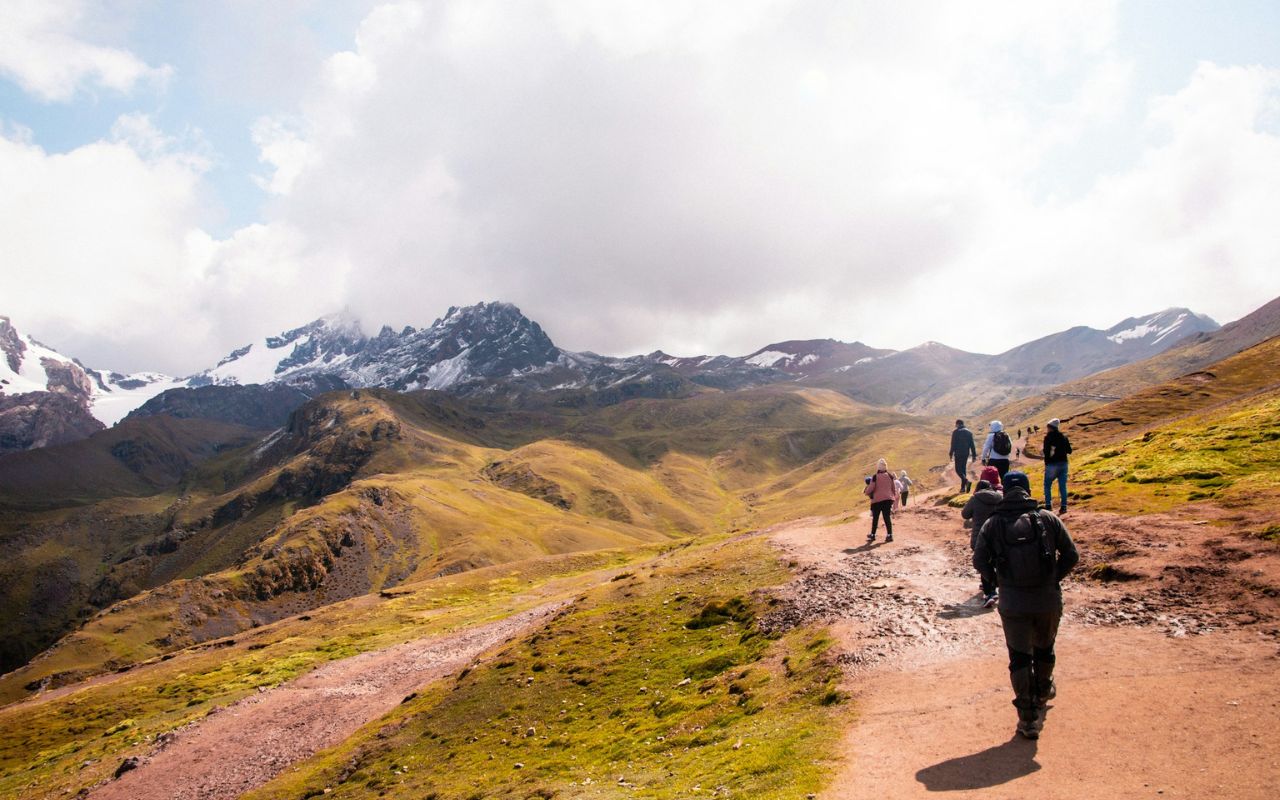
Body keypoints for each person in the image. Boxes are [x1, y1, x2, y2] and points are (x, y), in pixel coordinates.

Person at [973, 471, 1079, 739]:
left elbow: (979, 560)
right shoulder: (1048, 519)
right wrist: (1054, 578)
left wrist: (998, 581)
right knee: (1045, 648)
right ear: (1028, 490)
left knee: (1019, 657)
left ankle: (1027, 720)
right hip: (1047, 599)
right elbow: (1071, 554)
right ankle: (1043, 693)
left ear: (1005, 491)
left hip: (1012, 602)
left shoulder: (993, 523)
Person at [961, 478, 1003, 607]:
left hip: (980, 536)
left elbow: (965, 514)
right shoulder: (1000, 498)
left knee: (984, 563)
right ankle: (997, 586)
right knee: (996, 561)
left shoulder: (975, 498)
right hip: (999, 536)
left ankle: (990, 592)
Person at [864, 458, 900, 543]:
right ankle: (889, 535)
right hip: (888, 500)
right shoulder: (890, 476)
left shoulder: (875, 476)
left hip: (877, 501)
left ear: (878, 467)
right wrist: (892, 498)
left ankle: (873, 535)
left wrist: (866, 492)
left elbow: (871, 488)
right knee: (887, 518)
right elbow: (893, 488)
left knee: (875, 518)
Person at [1042, 418, 1073, 514]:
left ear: (1051, 428)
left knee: (1047, 485)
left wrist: (1048, 460)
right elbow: (1069, 451)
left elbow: (1046, 452)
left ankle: (1048, 505)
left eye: (1048, 427)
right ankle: (1063, 507)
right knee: (1062, 486)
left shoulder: (1048, 438)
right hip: (1063, 463)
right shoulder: (1063, 437)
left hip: (1052, 465)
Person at [949, 419, 977, 492]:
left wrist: (951, 453)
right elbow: (972, 445)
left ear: (958, 424)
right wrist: (974, 455)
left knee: (958, 470)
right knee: (963, 469)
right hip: (966, 454)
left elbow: (953, 444)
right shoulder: (969, 432)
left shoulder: (955, 432)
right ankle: (963, 488)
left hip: (958, 453)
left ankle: (966, 481)